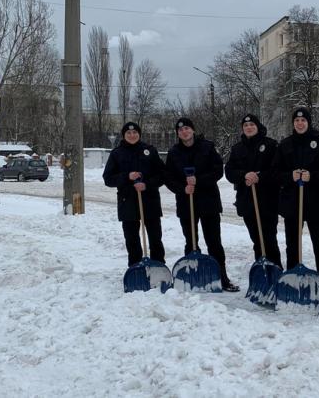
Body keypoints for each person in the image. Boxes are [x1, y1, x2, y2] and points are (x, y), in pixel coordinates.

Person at [164, 117, 239, 292]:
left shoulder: (207, 147)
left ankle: (222, 277)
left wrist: (199, 180)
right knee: (191, 242)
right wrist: (183, 188)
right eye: (181, 130)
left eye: (187, 129)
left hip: (208, 201)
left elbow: (218, 170)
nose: (184, 132)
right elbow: (168, 177)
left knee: (214, 242)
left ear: (193, 130)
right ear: (178, 133)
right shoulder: (174, 152)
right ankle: (191, 277)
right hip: (185, 202)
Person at [272, 107, 319, 282]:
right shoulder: (285, 145)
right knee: (292, 244)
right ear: (293, 123)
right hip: (292, 204)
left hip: (316, 202)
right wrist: (289, 176)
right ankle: (292, 278)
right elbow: (275, 173)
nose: (300, 123)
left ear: (308, 122)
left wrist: (313, 176)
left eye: (303, 121)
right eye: (296, 121)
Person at [103, 122, 166, 266]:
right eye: (128, 133)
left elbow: (162, 174)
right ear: (124, 135)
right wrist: (127, 177)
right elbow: (108, 179)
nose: (132, 135)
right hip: (128, 201)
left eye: (135, 133)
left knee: (155, 237)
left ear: (139, 134)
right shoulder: (117, 154)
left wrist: (147, 184)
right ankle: (135, 267)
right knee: (132, 239)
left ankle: (158, 266)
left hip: (150, 200)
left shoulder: (150, 151)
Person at [225, 114, 283, 268]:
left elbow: (277, 171)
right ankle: (261, 269)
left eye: (252, 125)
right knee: (257, 239)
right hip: (247, 201)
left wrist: (259, 177)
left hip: (267, 200)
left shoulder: (271, 145)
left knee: (269, 238)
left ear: (258, 126)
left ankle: (275, 268)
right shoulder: (237, 149)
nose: (249, 127)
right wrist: (244, 175)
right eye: (245, 126)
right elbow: (230, 172)